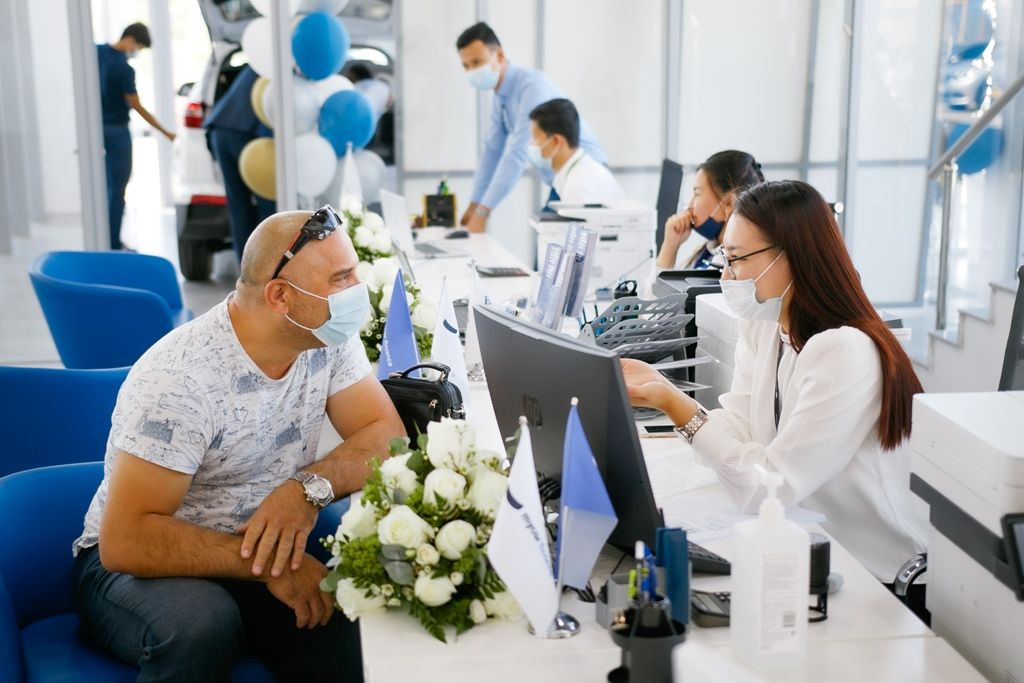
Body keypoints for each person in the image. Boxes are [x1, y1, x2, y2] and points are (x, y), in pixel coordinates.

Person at [71, 207, 404, 681]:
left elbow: (385, 434)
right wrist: (270, 567)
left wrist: (306, 490)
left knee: (357, 617)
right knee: (202, 624)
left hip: (257, 549)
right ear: (280, 296)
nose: (357, 289)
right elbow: (126, 541)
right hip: (137, 567)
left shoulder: (323, 335)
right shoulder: (180, 381)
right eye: (341, 278)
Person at [622, 180, 929, 616]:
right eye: (724, 258)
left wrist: (675, 404)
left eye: (735, 259)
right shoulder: (766, 325)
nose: (725, 276)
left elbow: (770, 487)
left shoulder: (843, 350)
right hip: (812, 550)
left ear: (792, 256)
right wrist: (675, 406)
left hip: (881, 580)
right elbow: (739, 423)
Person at [455, 22, 607, 233]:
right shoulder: (500, 97)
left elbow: (517, 153)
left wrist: (483, 211)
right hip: (563, 180)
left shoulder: (531, 87)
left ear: (499, 56)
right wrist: (475, 203)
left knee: (555, 247)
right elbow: (492, 151)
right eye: (466, 66)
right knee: (551, 246)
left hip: (583, 176)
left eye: (477, 62)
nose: (472, 71)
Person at [96, 23, 176, 250]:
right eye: (139, 47)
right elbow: (136, 106)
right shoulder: (125, 69)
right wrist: (166, 132)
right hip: (117, 132)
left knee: (103, 188)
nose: (136, 51)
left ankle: (104, 241)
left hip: (96, 130)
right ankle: (113, 244)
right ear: (131, 40)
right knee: (117, 190)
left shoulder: (96, 52)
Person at [204, 64, 276, 263]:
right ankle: (268, 266)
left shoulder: (259, 63)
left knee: (238, 205)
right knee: (269, 206)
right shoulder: (282, 68)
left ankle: (245, 267)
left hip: (220, 130)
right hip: (246, 135)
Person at [656, 150, 764, 271]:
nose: (690, 205)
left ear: (728, 203)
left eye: (697, 194)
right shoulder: (707, 252)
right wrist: (670, 245)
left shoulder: (732, 264)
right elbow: (659, 284)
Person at [528, 98, 625, 205]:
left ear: (556, 141)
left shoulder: (579, 187)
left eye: (535, 138)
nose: (531, 145)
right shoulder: (578, 172)